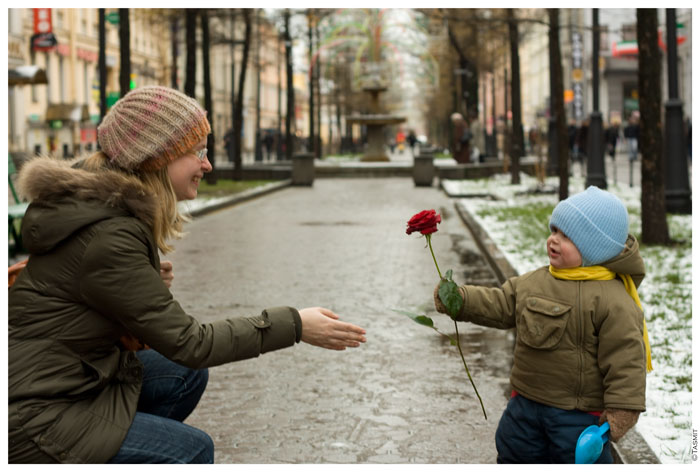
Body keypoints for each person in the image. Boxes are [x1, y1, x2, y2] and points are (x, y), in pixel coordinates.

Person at [8, 85, 367, 464]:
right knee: (192, 449)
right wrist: (295, 324)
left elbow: (86, 297)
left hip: (69, 378)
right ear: (157, 158)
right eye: (198, 152)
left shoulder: (102, 210)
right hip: (37, 415)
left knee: (182, 376)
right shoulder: (111, 235)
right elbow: (191, 343)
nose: (207, 164)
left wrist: (138, 282)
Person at [434, 186, 649, 464]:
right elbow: (499, 303)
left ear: (595, 248)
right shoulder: (535, 282)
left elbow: (626, 358)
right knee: (513, 453)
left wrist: (624, 407)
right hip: (524, 405)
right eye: (554, 231)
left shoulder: (613, 299)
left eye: (567, 236)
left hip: (577, 416)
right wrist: (460, 300)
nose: (554, 240)